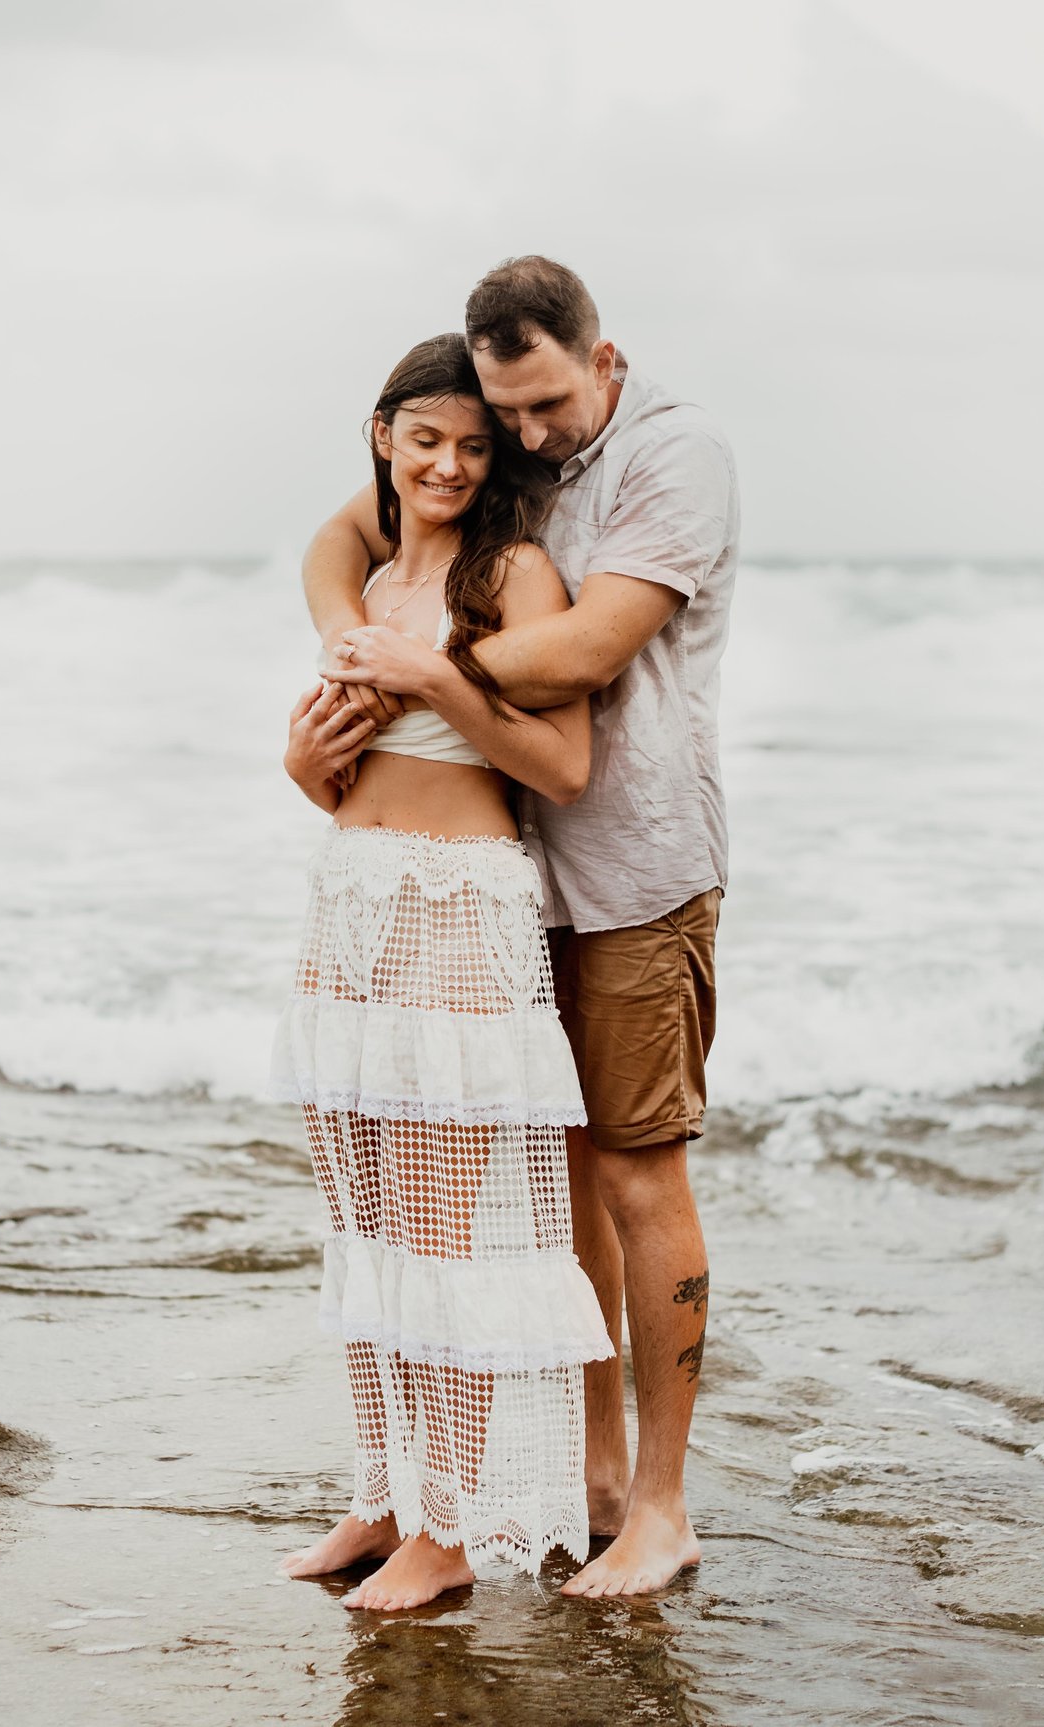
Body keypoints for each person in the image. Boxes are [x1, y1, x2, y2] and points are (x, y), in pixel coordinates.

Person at [304, 256, 738, 1598]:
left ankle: (656, 1505)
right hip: (497, 879)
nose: (526, 440)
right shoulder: (497, 460)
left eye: (542, 409)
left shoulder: (673, 461)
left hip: (626, 874)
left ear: (602, 361)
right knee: (528, 1199)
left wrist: (420, 669)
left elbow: (581, 658)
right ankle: (580, 1478)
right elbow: (346, 534)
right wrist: (342, 650)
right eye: (503, 416)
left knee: (632, 1172)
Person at [271, 332, 615, 1613]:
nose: (451, 465)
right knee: (361, 1223)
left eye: (475, 446)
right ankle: (383, 1489)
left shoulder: (514, 574)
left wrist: (435, 677)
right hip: (350, 903)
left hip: (458, 909)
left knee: (439, 1233)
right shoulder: (360, 572)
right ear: (383, 437)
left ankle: (455, 1522)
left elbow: (562, 767)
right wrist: (305, 761)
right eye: (427, 440)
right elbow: (336, 776)